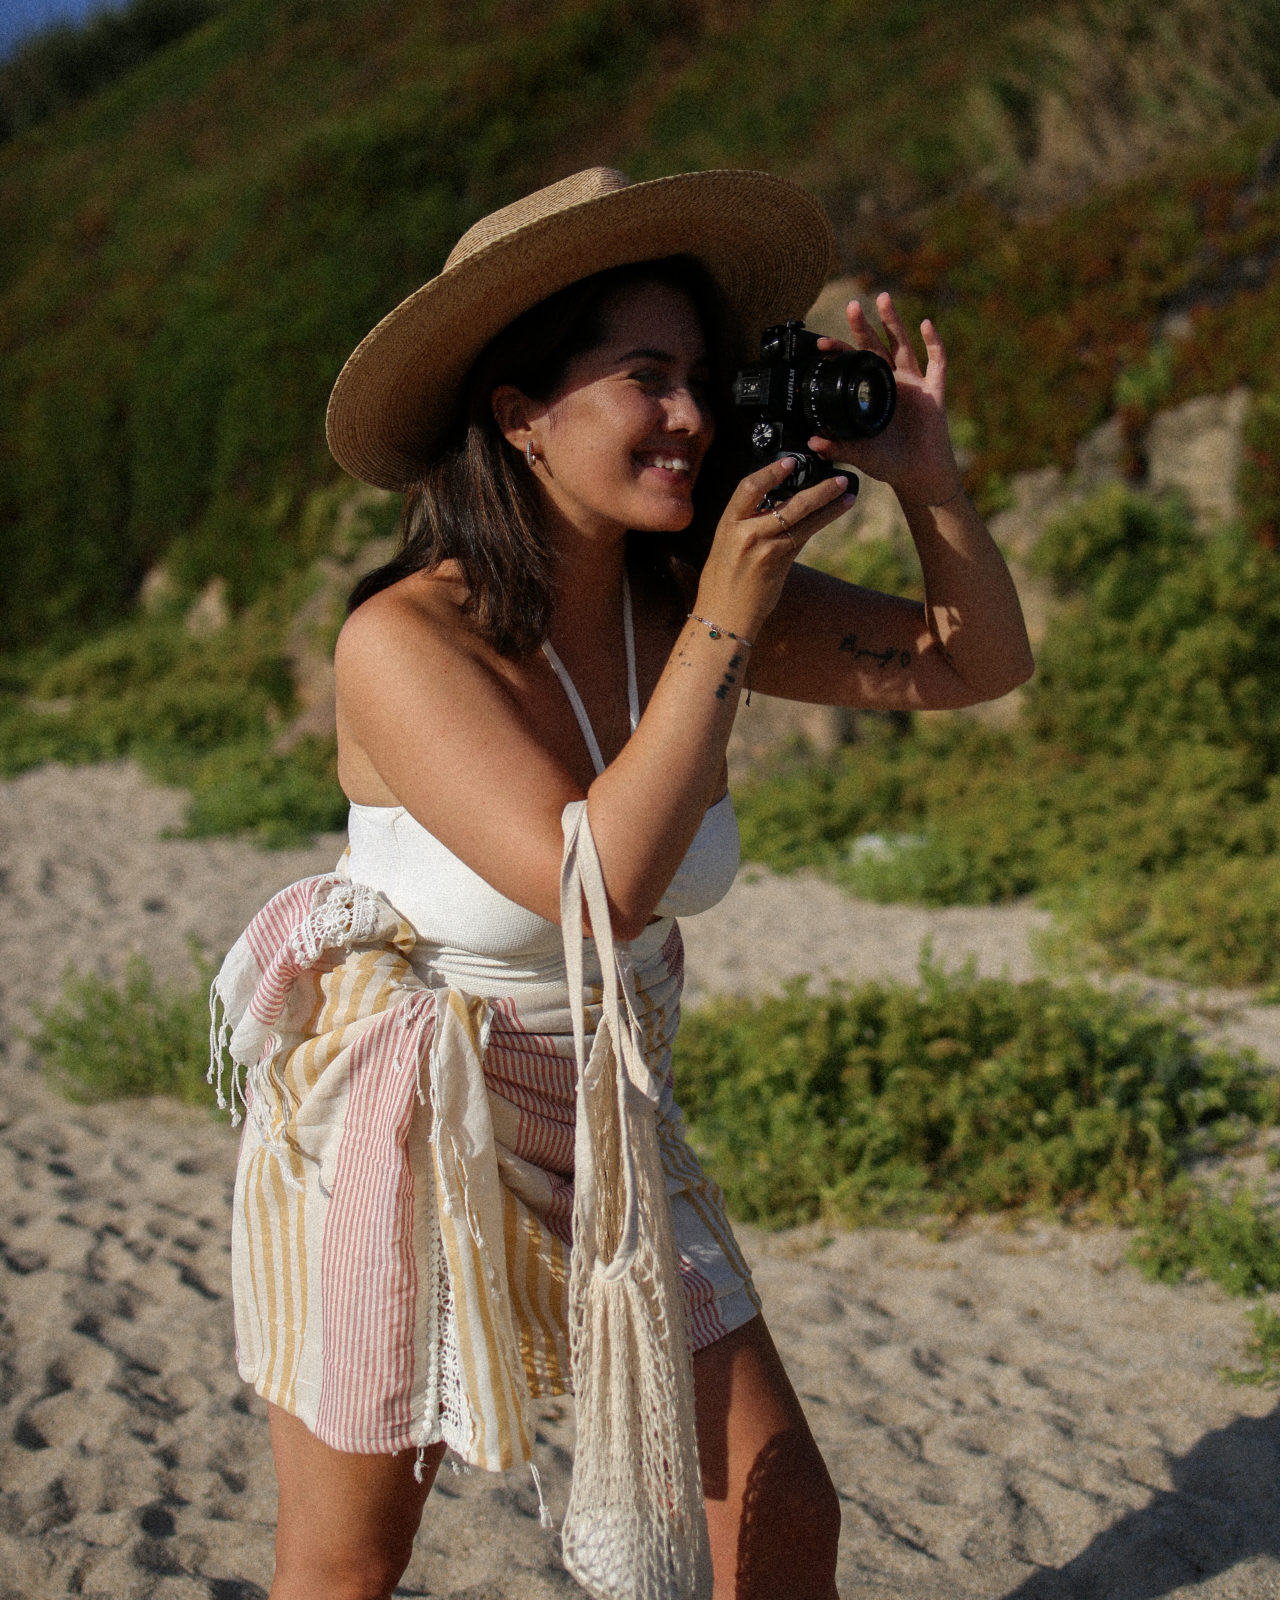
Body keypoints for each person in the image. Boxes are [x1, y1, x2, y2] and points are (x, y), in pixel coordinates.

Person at [215, 166, 1033, 1600]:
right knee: (349, 1565)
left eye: (704, 379)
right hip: (406, 1119)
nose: (695, 417)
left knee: (782, 1522)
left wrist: (933, 485)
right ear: (519, 414)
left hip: (608, 1115)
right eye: (645, 378)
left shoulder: (685, 604)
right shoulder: (407, 644)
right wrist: (731, 606)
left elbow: (976, 663)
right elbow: (597, 884)